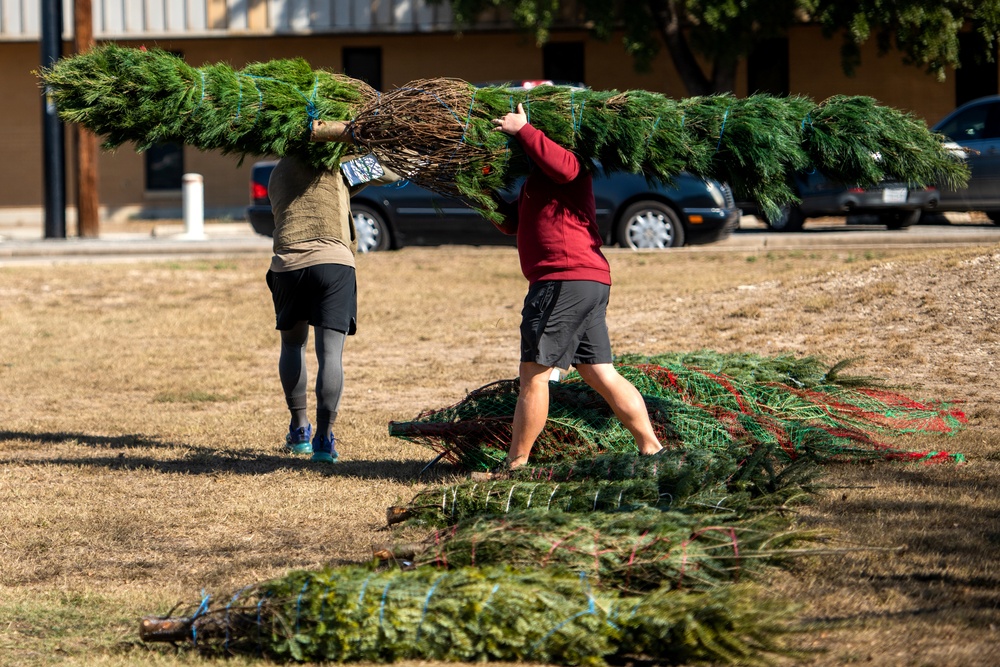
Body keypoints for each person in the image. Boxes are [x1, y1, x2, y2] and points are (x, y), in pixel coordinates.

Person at [490, 103, 664, 470]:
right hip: (587, 280)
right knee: (599, 371)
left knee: (534, 375)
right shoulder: (537, 180)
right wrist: (479, 192)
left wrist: (523, 130)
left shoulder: (569, 164)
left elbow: (565, 166)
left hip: (564, 280)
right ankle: (652, 448)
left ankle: (515, 466)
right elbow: (510, 222)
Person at [266, 153, 398, 463]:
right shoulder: (336, 164)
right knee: (329, 354)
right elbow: (389, 171)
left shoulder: (277, 174)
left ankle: (299, 431)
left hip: (288, 264)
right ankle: (324, 440)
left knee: (292, 346)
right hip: (333, 263)